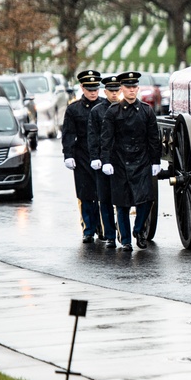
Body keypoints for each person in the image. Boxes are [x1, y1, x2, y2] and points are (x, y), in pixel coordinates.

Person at [100, 71, 161, 251]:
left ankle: (138, 230)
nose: (132, 90)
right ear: (122, 89)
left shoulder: (146, 110)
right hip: (120, 161)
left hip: (141, 160)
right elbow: (106, 138)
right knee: (122, 203)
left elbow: (153, 137)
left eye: (134, 87)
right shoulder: (113, 112)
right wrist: (106, 161)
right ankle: (126, 240)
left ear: (138, 88)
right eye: (128, 87)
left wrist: (155, 161)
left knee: (147, 199)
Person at [62, 70, 104, 243]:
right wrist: (68, 154)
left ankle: (103, 227)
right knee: (85, 193)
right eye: (89, 89)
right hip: (82, 155)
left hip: (102, 154)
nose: (93, 92)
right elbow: (69, 133)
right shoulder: (74, 109)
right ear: (82, 88)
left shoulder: (105, 106)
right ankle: (88, 228)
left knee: (103, 193)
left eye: (95, 88)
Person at [87, 75, 122, 248]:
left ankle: (123, 234)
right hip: (103, 160)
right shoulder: (97, 111)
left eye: (117, 90)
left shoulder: (125, 109)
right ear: (105, 91)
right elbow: (93, 137)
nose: (115, 94)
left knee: (122, 200)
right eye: (111, 91)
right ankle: (109, 234)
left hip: (122, 160)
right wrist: (95, 157)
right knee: (105, 199)